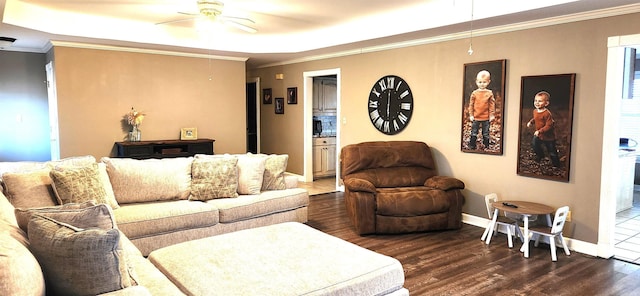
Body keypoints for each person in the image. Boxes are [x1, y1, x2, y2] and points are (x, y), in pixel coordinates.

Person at [526, 91, 561, 167]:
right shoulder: (535, 111)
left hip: (548, 137)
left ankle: (556, 164)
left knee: (552, 151)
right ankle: (541, 155)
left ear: (546, 103)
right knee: (535, 145)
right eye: (535, 101)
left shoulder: (547, 113)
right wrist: (531, 122)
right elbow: (536, 118)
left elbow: (549, 125)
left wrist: (540, 131)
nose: (537, 103)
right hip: (539, 135)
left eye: (540, 101)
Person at [468, 70, 495, 149]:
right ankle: (472, 144)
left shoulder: (489, 93)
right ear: (476, 82)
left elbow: (492, 105)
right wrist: (471, 115)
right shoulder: (474, 93)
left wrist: (492, 115)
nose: (482, 84)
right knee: (474, 132)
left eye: (484, 82)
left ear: (488, 82)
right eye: (480, 82)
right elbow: (471, 105)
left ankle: (486, 145)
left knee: (485, 133)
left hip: (486, 117)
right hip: (476, 117)